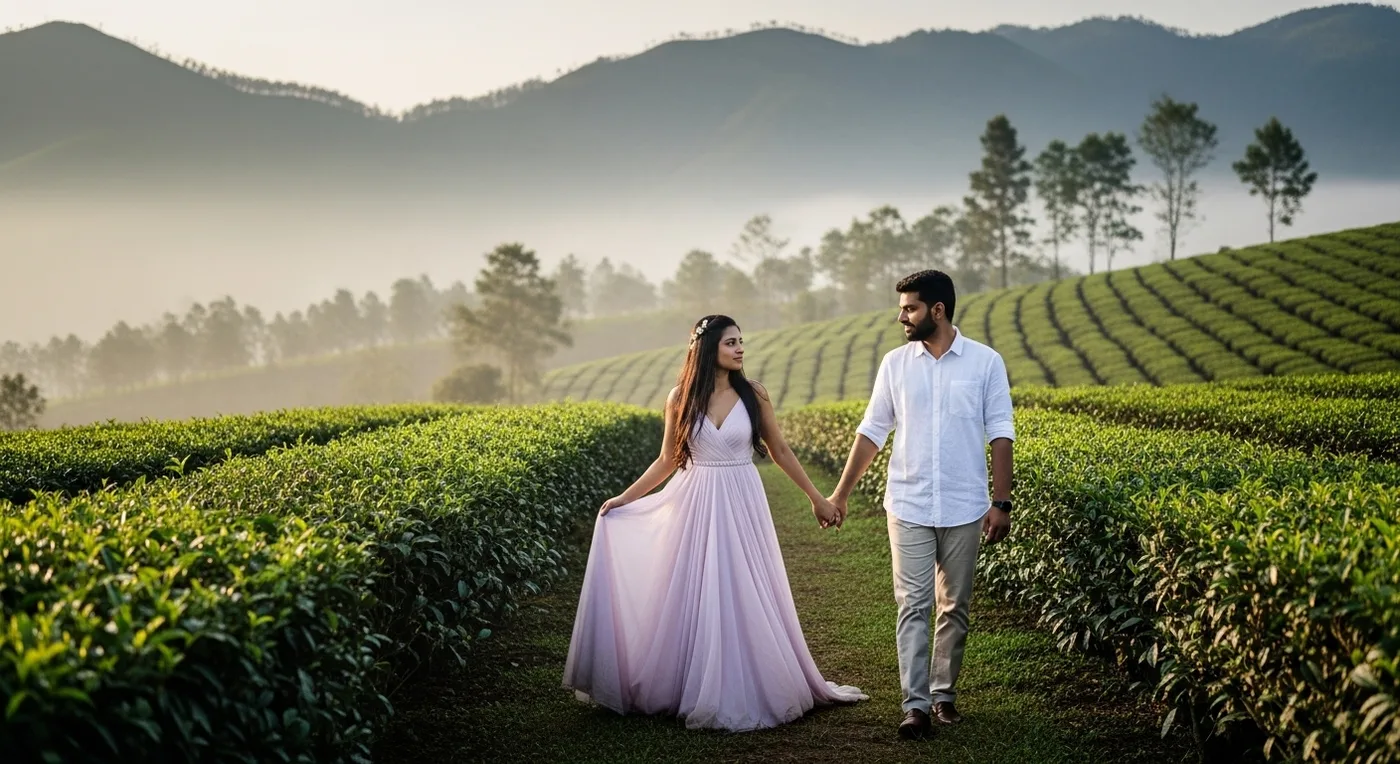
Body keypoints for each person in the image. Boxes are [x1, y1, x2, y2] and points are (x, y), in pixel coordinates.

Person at [561, 314, 867, 731]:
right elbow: (667, 459)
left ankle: (748, 679)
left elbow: (779, 449)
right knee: (694, 585)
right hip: (696, 500)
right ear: (707, 348)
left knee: (744, 582)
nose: (740, 349)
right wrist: (625, 498)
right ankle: (689, 681)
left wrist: (817, 498)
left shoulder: (754, 394)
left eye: (741, 341)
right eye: (730, 343)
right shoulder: (679, 398)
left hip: (742, 497)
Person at [826, 270, 1015, 741]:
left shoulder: (986, 362)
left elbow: (1000, 433)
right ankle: (915, 706)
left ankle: (943, 694)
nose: (901, 318)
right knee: (913, 604)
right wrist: (841, 493)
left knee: (955, 606)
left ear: (938, 310)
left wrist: (1001, 502)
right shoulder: (895, 364)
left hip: (965, 504)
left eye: (909, 308)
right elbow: (872, 431)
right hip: (908, 502)